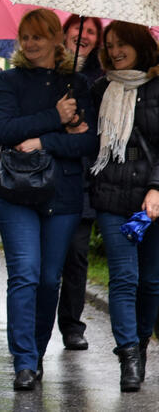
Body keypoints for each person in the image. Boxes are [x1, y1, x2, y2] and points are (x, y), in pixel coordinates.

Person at [0, 8, 97, 391]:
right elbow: (3, 130)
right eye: (25, 36)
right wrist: (55, 117)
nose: (30, 43)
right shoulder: (8, 80)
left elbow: (88, 142)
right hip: (16, 191)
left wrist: (42, 140)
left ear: (56, 38)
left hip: (63, 194)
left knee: (50, 279)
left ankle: (35, 354)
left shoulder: (78, 85)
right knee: (25, 274)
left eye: (38, 36)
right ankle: (22, 362)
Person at [88, 20, 159, 391]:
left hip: (153, 200)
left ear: (139, 44)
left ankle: (142, 342)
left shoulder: (157, 86)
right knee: (124, 278)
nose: (115, 51)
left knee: (151, 282)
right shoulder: (100, 88)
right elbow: (88, 142)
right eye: (110, 45)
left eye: (122, 44)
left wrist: (156, 187)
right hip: (112, 196)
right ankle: (128, 355)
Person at [57, 14, 104, 351]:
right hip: (49, 179)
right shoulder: (51, 73)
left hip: (83, 181)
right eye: (79, 28)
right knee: (45, 263)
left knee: (76, 256)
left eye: (91, 31)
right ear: (65, 31)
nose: (83, 35)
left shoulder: (101, 81)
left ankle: (72, 325)